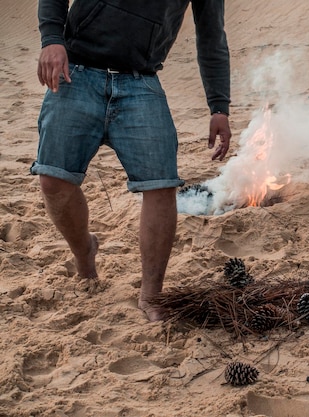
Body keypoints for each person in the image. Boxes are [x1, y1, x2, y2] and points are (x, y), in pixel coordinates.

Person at [32, 0, 232, 321]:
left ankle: (152, 295)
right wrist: (52, 39)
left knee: (161, 185)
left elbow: (211, 37)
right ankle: (85, 253)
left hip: (141, 81)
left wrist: (219, 107)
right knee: (54, 179)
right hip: (78, 72)